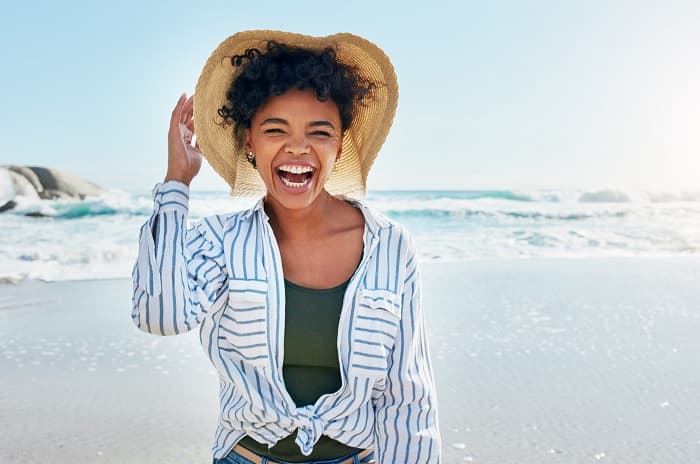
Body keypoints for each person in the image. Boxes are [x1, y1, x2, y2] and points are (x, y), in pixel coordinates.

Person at [131, 30, 441, 464]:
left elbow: (408, 395)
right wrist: (176, 183)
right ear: (249, 143)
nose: (298, 147)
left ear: (340, 143)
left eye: (320, 131)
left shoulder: (390, 245)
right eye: (275, 129)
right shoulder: (219, 241)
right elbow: (158, 316)